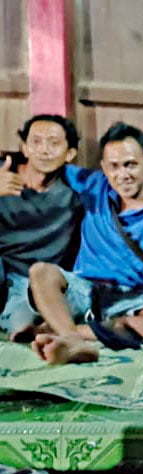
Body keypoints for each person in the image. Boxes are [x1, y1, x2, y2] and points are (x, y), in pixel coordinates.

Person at [26, 122, 143, 364]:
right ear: (103, 168)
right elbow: (48, 164)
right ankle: (76, 339)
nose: (123, 175)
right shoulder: (96, 186)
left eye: (130, 165)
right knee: (41, 272)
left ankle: (66, 332)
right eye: (114, 166)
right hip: (84, 287)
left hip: (130, 297)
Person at [0, 115, 81, 339]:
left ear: (70, 154)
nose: (44, 150)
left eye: (54, 143)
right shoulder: (3, 174)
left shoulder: (74, 192)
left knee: (24, 324)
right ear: (24, 148)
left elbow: (119, 192)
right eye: (36, 142)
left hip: (29, 281)